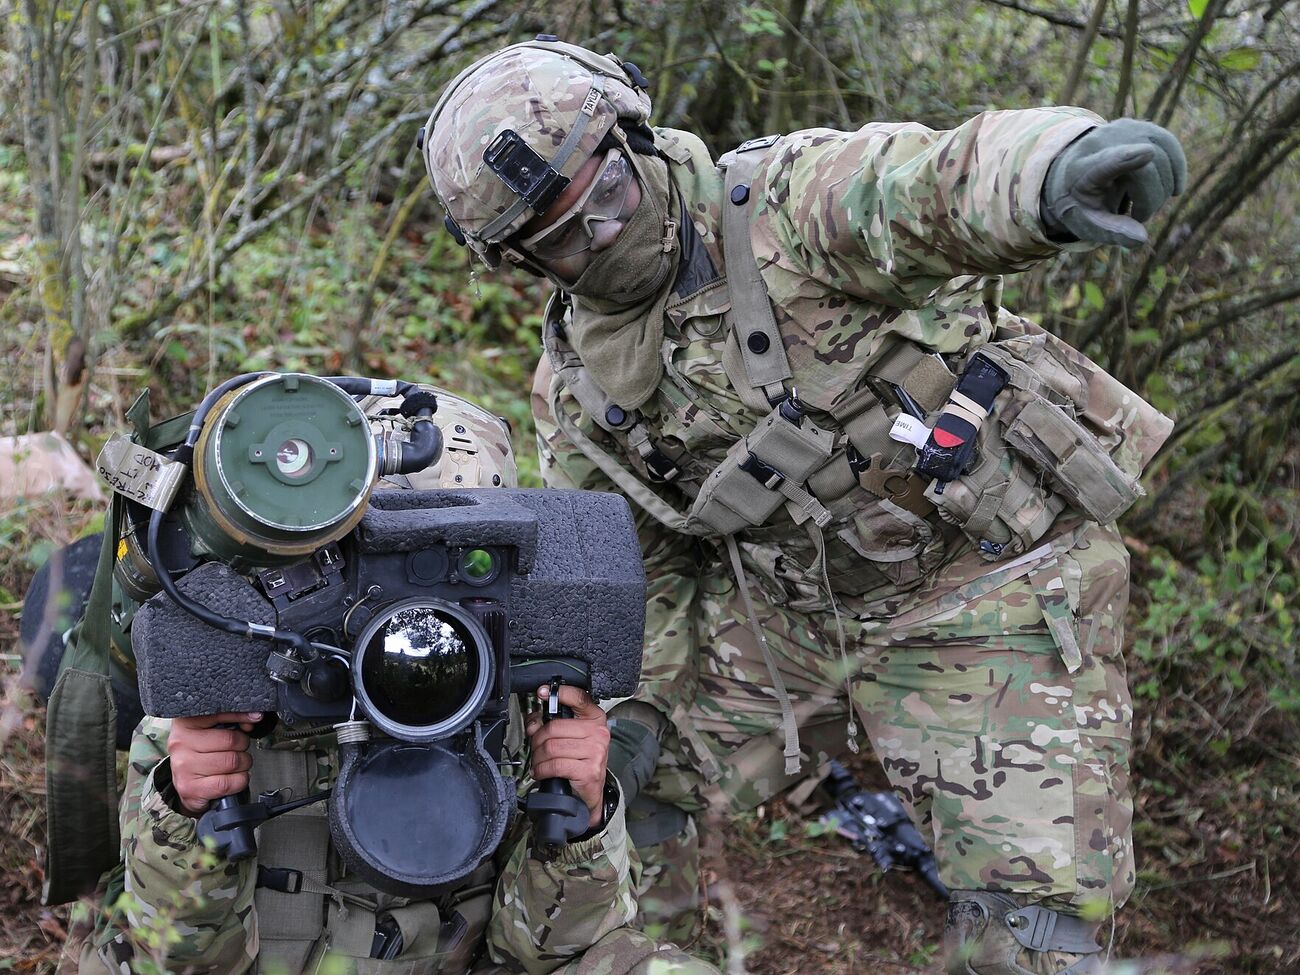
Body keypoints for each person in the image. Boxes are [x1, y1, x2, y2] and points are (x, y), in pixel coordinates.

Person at [420, 37, 1187, 975]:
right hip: (790, 615)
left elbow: (931, 187)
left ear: (639, 141)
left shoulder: (786, 204)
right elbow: (631, 568)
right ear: (521, 260)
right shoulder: (580, 390)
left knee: (1035, 930)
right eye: (562, 237)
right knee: (619, 779)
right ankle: (644, 954)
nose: (604, 236)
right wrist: (632, 723)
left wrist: (1055, 170)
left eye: (610, 195)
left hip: (982, 588)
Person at [66, 389, 718, 975]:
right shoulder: (224, 685)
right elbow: (177, 955)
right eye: (375, 555)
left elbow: (544, 950)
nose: (405, 591)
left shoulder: (524, 697)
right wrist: (190, 810)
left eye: (448, 561)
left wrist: (578, 814)